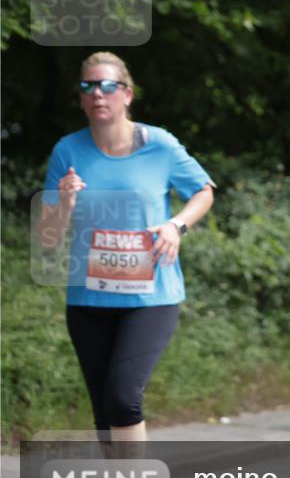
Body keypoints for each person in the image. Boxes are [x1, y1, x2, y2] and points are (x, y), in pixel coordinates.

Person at [36, 52, 215, 448]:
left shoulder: (160, 145)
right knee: (104, 411)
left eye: (107, 85)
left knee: (123, 398)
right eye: (88, 86)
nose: (97, 93)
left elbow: (203, 191)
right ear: (81, 96)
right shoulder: (68, 151)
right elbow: (48, 239)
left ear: (127, 94)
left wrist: (176, 225)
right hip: (87, 300)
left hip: (151, 298)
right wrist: (63, 203)